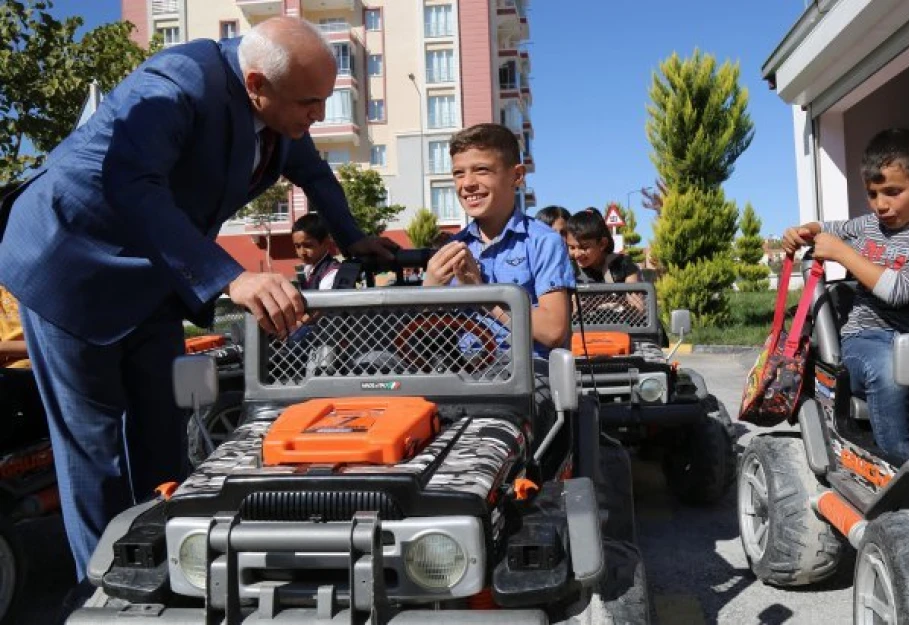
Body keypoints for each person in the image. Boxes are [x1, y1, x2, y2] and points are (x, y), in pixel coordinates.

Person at [0, 16, 394, 592]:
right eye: (311, 104)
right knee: (94, 444)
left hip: (152, 273)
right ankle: (108, 590)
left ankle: (175, 566)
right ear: (256, 85)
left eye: (323, 102)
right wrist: (231, 278)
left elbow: (314, 172)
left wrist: (353, 235)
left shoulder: (282, 104)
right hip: (71, 264)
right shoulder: (175, 84)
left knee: (164, 429)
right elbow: (132, 185)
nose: (318, 117)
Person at [782, 128, 909, 464]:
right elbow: (824, 229)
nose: (881, 205)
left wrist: (843, 254)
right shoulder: (868, 225)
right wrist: (802, 232)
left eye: (893, 192)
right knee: (888, 371)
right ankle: (900, 467)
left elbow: (901, 289)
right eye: (872, 194)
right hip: (868, 337)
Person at [423, 123, 574, 356]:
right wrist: (429, 291)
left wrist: (483, 294)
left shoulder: (544, 242)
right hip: (464, 379)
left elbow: (553, 331)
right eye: (458, 173)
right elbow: (426, 339)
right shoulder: (450, 249)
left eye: (481, 170)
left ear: (517, 176)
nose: (467, 183)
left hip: (531, 381)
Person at [566, 209, 642, 284]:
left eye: (584, 247)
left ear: (602, 244)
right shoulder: (569, 270)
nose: (577, 254)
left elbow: (632, 292)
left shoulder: (624, 266)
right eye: (572, 247)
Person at [292, 213, 341, 290]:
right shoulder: (307, 269)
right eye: (297, 246)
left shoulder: (331, 274)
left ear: (325, 243)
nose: (302, 252)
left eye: (308, 245)